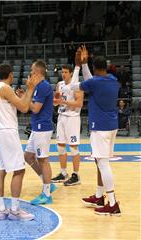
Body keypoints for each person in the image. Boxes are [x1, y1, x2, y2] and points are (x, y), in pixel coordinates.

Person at [72, 45, 121, 216]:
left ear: (94, 68)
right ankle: (100, 196)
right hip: (111, 125)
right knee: (99, 161)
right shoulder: (113, 80)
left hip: (100, 127)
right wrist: (86, 64)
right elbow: (91, 82)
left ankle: (113, 204)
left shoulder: (94, 82)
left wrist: (78, 65)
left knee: (103, 164)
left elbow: (73, 86)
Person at [0, 63, 38, 221]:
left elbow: (18, 104)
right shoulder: (5, 88)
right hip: (7, 131)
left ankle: (0, 209)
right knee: (19, 170)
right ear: (11, 75)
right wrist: (30, 88)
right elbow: (25, 108)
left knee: (0, 170)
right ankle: (15, 210)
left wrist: (22, 95)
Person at [24, 60, 55, 205]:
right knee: (28, 156)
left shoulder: (43, 87)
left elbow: (35, 108)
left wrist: (24, 98)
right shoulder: (37, 87)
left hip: (43, 127)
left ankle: (47, 194)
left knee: (43, 160)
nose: (30, 74)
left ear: (37, 72)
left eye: (32, 71)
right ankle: (47, 182)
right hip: (37, 127)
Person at [51, 62, 84, 186]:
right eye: (62, 72)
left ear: (71, 73)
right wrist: (56, 100)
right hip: (62, 117)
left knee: (73, 147)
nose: (63, 74)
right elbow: (55, 103)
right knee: (60, 146)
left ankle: (76, 175)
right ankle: (63, 173)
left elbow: (79, 104)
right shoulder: (59, 85)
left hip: (73, 118)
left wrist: (63, 101)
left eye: (65, 72)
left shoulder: (77, 86)